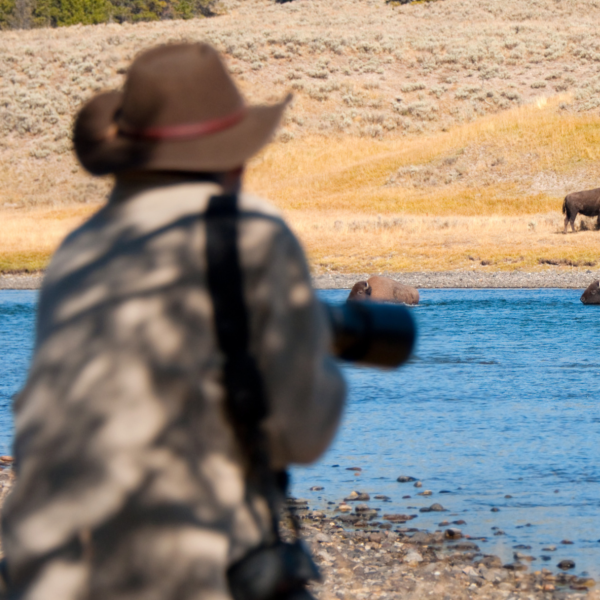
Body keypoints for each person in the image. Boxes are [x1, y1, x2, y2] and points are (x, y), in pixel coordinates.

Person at [1, 43, 345, 600]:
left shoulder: (77, 251)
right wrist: (317, 346)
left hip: (44, 572)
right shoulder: (250, 235)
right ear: (233, 154)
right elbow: (302, 434)